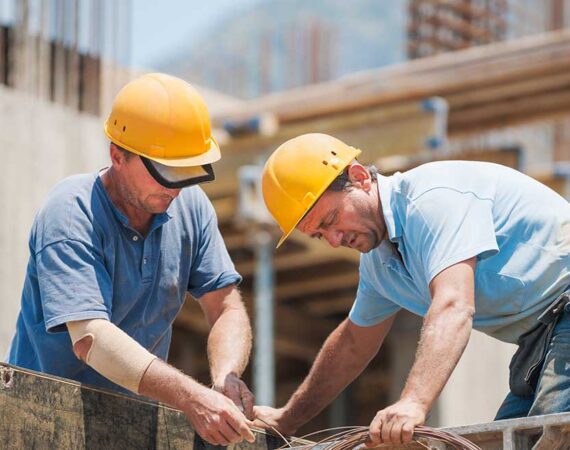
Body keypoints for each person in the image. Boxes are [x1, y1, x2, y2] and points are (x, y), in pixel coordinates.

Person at [254, 133, 570, 446]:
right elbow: (352, 344)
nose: (335, 240)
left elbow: (453, 305)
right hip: (542, 340)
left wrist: (414, 402)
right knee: (513, 441)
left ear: (359, 177)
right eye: (321, 235)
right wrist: (288, 418)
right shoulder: (380, 266)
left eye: (332, 219)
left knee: (550, 437)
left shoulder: (432, 200)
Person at [6, 73, 255, 446]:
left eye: (186, 171)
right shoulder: (72, 212)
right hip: (43, 422)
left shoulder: (191, 208)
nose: (175, 186)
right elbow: (91, 339)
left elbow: (226, 307)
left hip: (133, 425)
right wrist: (191, 397)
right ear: (117, 156)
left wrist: (226, 378)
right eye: (164, 171)